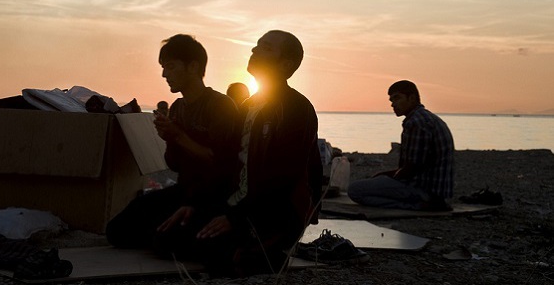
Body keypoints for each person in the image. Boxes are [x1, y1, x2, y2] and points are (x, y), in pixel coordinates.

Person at [155, 30, 323, 277]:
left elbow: (283, 178)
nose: (254, 50)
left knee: (215, 253)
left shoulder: (296, 109)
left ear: (285, 64)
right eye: (256, 45)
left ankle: (267, 250)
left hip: (273, 211)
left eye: (265, 48)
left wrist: (237, 218)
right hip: (236, 205)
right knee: (166, 237)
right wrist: (196, 203)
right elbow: (227, 166)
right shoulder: (247, 107)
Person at [105, 34, 241, 249]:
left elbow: (218, 161)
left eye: (170, 66)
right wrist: (169, 138)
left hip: (214, 197)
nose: (164, 74)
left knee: (165, 241)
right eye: (163, 67)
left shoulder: (220, 106)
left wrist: (178, 135)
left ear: (193, 67)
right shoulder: (178, 107)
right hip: (183, 190)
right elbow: (174, 164)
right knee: (116, 231)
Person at [347, 80, 454, 211]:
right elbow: (412, 165)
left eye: (397, 98)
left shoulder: (417, 122)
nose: (393, 104)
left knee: (355, 190)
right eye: (391, 100)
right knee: (375, 182)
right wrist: (385, 175)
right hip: (431, 188)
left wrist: (391, 178)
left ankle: (419, 205)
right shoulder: (425, 118)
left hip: (424, 190)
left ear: (412, 98)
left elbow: (413, 167)